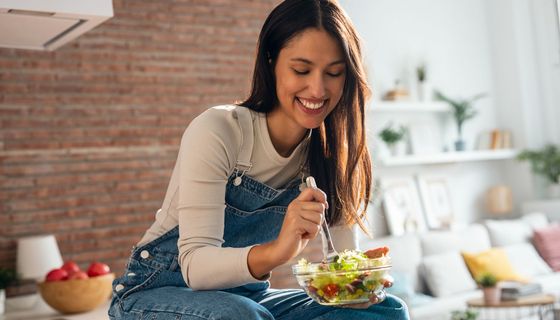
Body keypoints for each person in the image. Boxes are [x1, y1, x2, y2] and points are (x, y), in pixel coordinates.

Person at [108, 0, 409, 319]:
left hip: (247, 300)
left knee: (386, 310)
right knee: (240, 315)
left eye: (334, 73)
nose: (318, 89)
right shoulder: (220, 130)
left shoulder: (328, 153)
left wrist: (360, 283)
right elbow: (195, 266)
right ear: (270, 60)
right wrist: (280, 251)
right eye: (301, 70)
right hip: (156, 294)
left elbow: (345, 263)